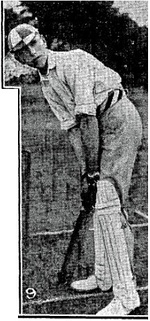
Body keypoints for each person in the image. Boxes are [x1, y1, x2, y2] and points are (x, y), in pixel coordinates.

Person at [8, 24, 142, 316]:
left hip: (118, 119)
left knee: (108, 204)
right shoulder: (47, 84)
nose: (31, 51)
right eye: (23, 51)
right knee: (99, 201)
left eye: (33, 43)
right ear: (19, 59)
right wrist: (86, 173)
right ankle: (105, 277)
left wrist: (94, 173)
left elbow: (87, 118)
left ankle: (127, 296)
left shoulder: (74, 60)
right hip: (97, 126)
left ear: (41, 39)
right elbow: (71, 129)